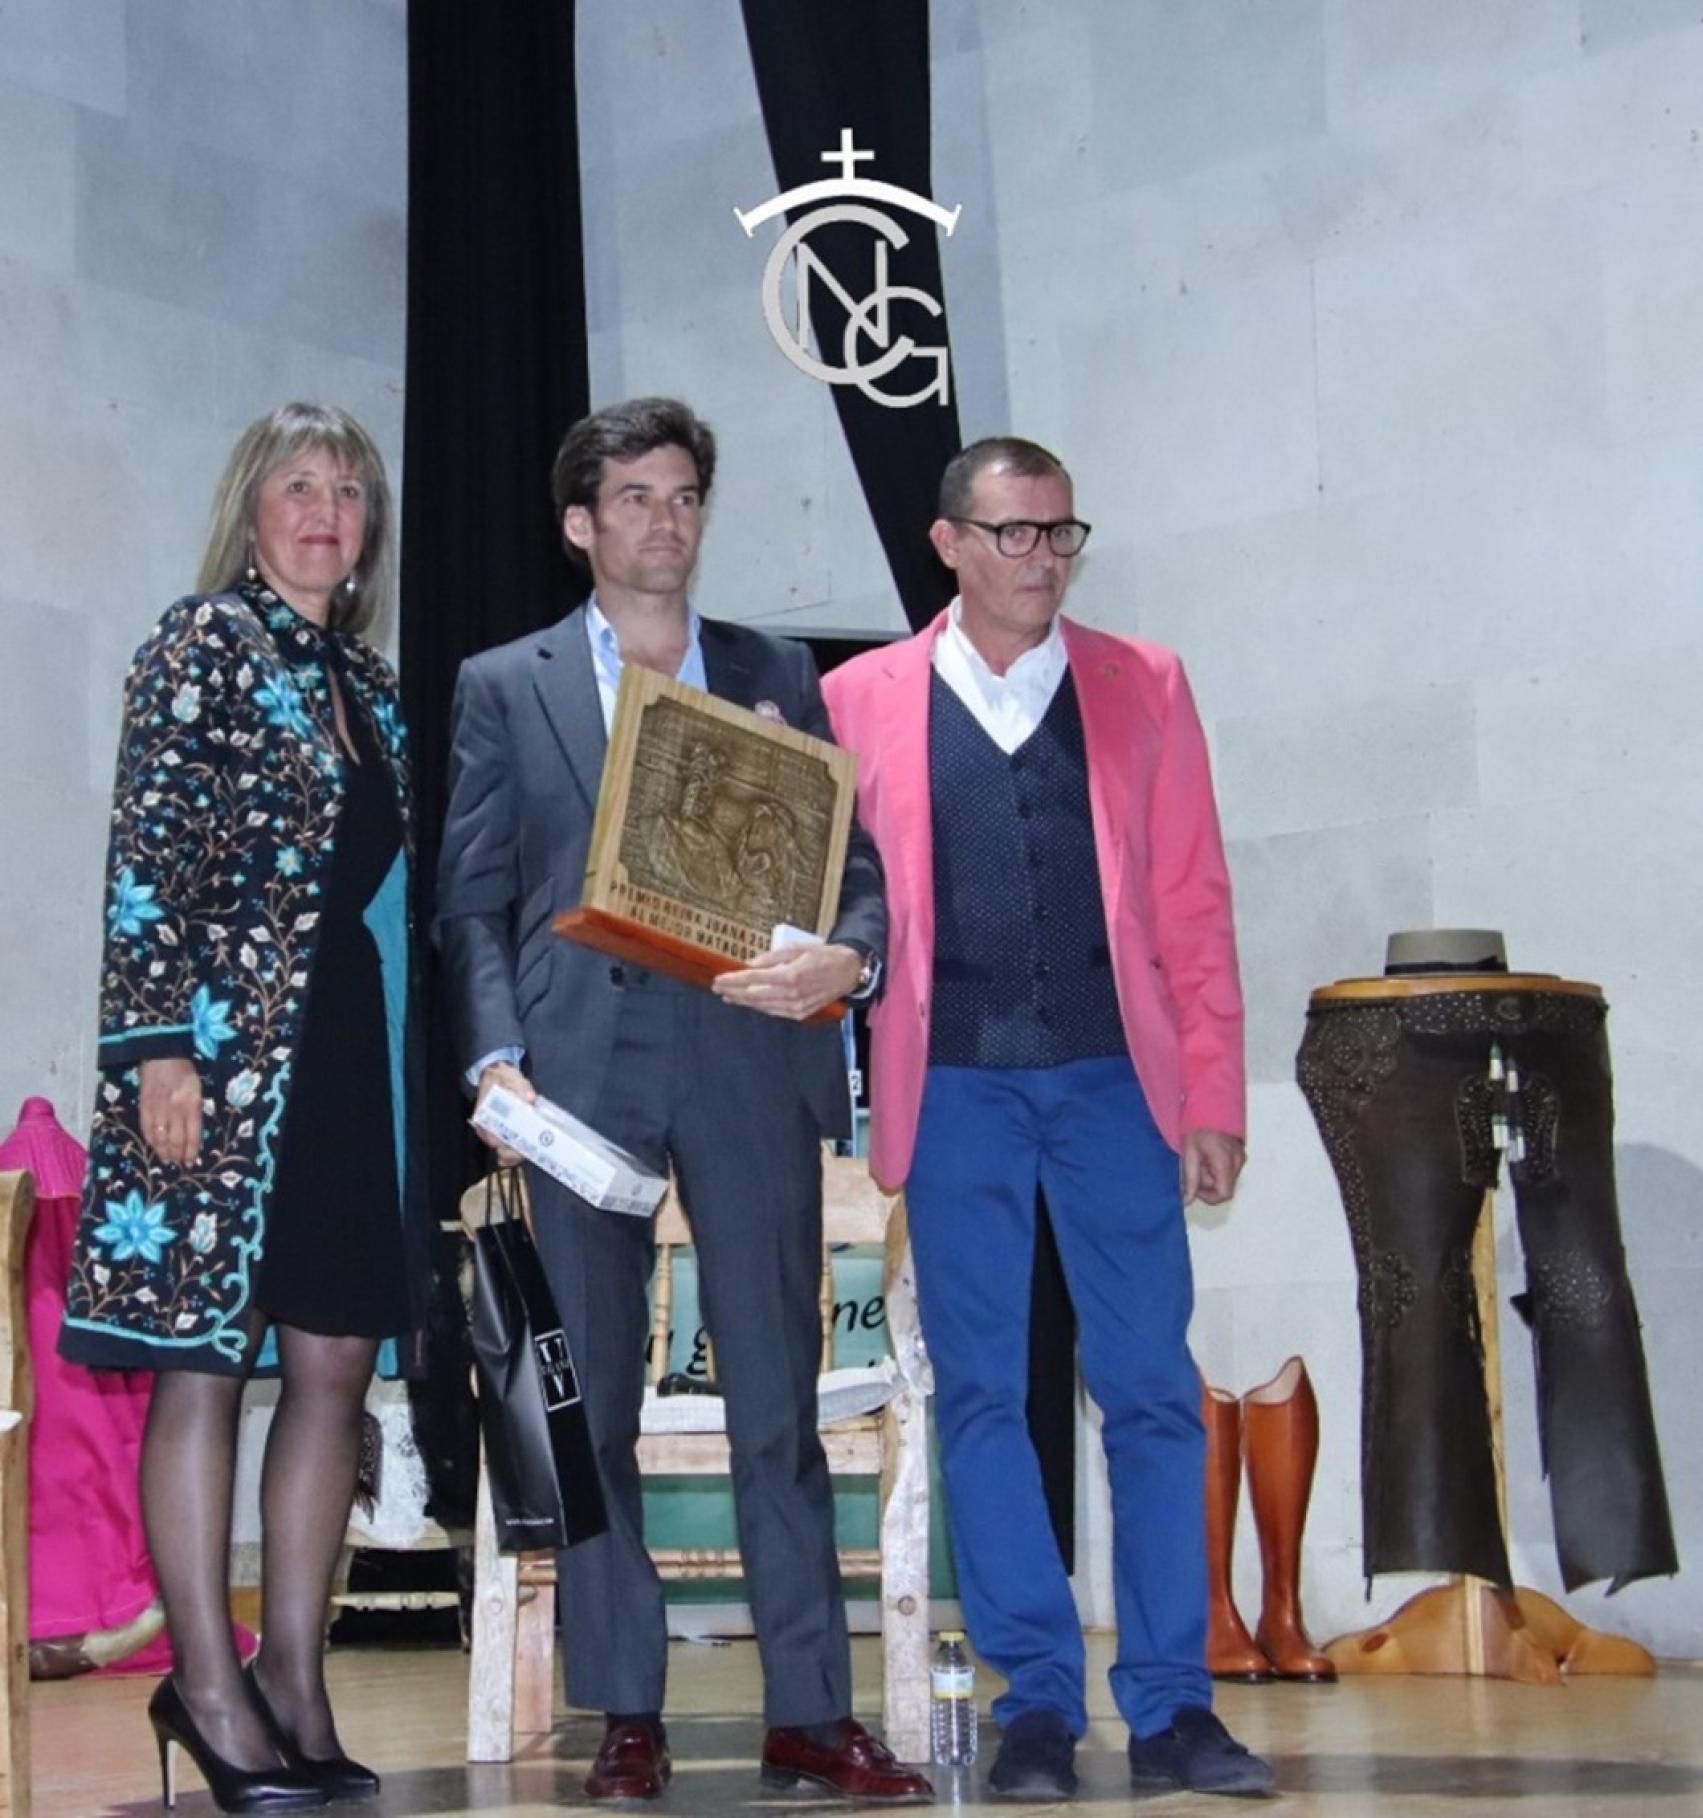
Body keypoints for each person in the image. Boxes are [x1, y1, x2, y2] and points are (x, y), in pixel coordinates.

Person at [436, 396, 930, 1804]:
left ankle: (811, 1711)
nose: (666, 519)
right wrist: (491, 1058)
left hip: (747, 1055)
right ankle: (626, 1707)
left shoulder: (776, 667)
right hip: (575, 1069)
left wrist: (853, 953)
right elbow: (470, 901)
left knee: (771, 1394)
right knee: (587, 1405)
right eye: (636, 497)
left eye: (685, 496)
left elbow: (855, 869)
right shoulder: (502, 682)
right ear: (581, 523)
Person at [823, 437, 1276, 1802]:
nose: (1039, 559)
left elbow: (1192, 899)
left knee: (1146, 1388)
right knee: (980, 1394)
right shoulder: (853, 699)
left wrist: (1210, 1093)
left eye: (1058, 534)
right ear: (946, 542)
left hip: (1109, 1083)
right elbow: (833, 907)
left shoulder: (1144, 682)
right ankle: (1034, 1701)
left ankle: (1174, 1703)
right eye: (1011, 534)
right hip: (950, 1084)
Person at [61, 402, 430, 1814]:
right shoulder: (198, 641)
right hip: (213, 1063)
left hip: (345, 1058)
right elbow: (147, 848)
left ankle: (293, 1673)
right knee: (202, 1365)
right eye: (299, 483)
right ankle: (206, 1685)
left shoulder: (372, 684)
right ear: (252, 506)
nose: (327, 507)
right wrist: (156, 1048)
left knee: (332, 1364)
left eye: (348, 487)